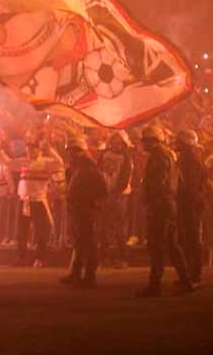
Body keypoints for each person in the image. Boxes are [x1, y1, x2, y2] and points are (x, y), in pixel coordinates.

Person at [137, 126, 195, 297]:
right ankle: (185, 280)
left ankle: (155, 284)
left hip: (160, 205)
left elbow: (157, 183)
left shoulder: (158, 156)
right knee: (172, 244)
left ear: (151, 140)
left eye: (144, 140)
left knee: (157, 246)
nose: (142, 144)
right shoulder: (168, 154)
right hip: (168, 204)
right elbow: (179, 181)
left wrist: (151, 202)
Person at [0, 136, 64, 267]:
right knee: (21, 230)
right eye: (28, 150)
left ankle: (40, 258)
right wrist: (0, 151)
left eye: (32, 150)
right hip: (24, 200)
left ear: (38, 150)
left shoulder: (45, 162)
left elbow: (59, 163)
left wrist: (50, 149)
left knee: (41, 230)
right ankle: (21, 257)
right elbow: (8, 163)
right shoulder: (24, 162)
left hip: (38, 200)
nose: (30, 153)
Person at [60, 137, 107, 288]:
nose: (71, 154)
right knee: (79, 243)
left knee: (88, 243)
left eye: (74, 151)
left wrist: (92, 203)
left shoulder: (89, 168)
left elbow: (102, 189)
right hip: (77, 209)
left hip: (86, 210)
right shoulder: (76, 167)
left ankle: (89, 276)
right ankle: (76, 273)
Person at [175, 129, 207, 285]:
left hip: (190, 205)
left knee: (192, 239)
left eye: (178, 142)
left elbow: (191, 187)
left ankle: (194, 274)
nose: (176, 144)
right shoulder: (187, 159)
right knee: (187, 239)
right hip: (188, 204)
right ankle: (190, 273)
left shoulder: (191, 160)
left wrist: (184, 201)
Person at [98, 131, 134, 268]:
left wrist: (115, 193)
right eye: (113, 140)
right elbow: (99, 172)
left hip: (121, 196)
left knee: (120, 229)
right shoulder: (103, 155)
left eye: (118, 141)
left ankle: (122, 259)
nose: (115, 143)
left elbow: (125, 178)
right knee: (104, 228)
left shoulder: (126, 158)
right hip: (105, 194)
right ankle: (104, 258)